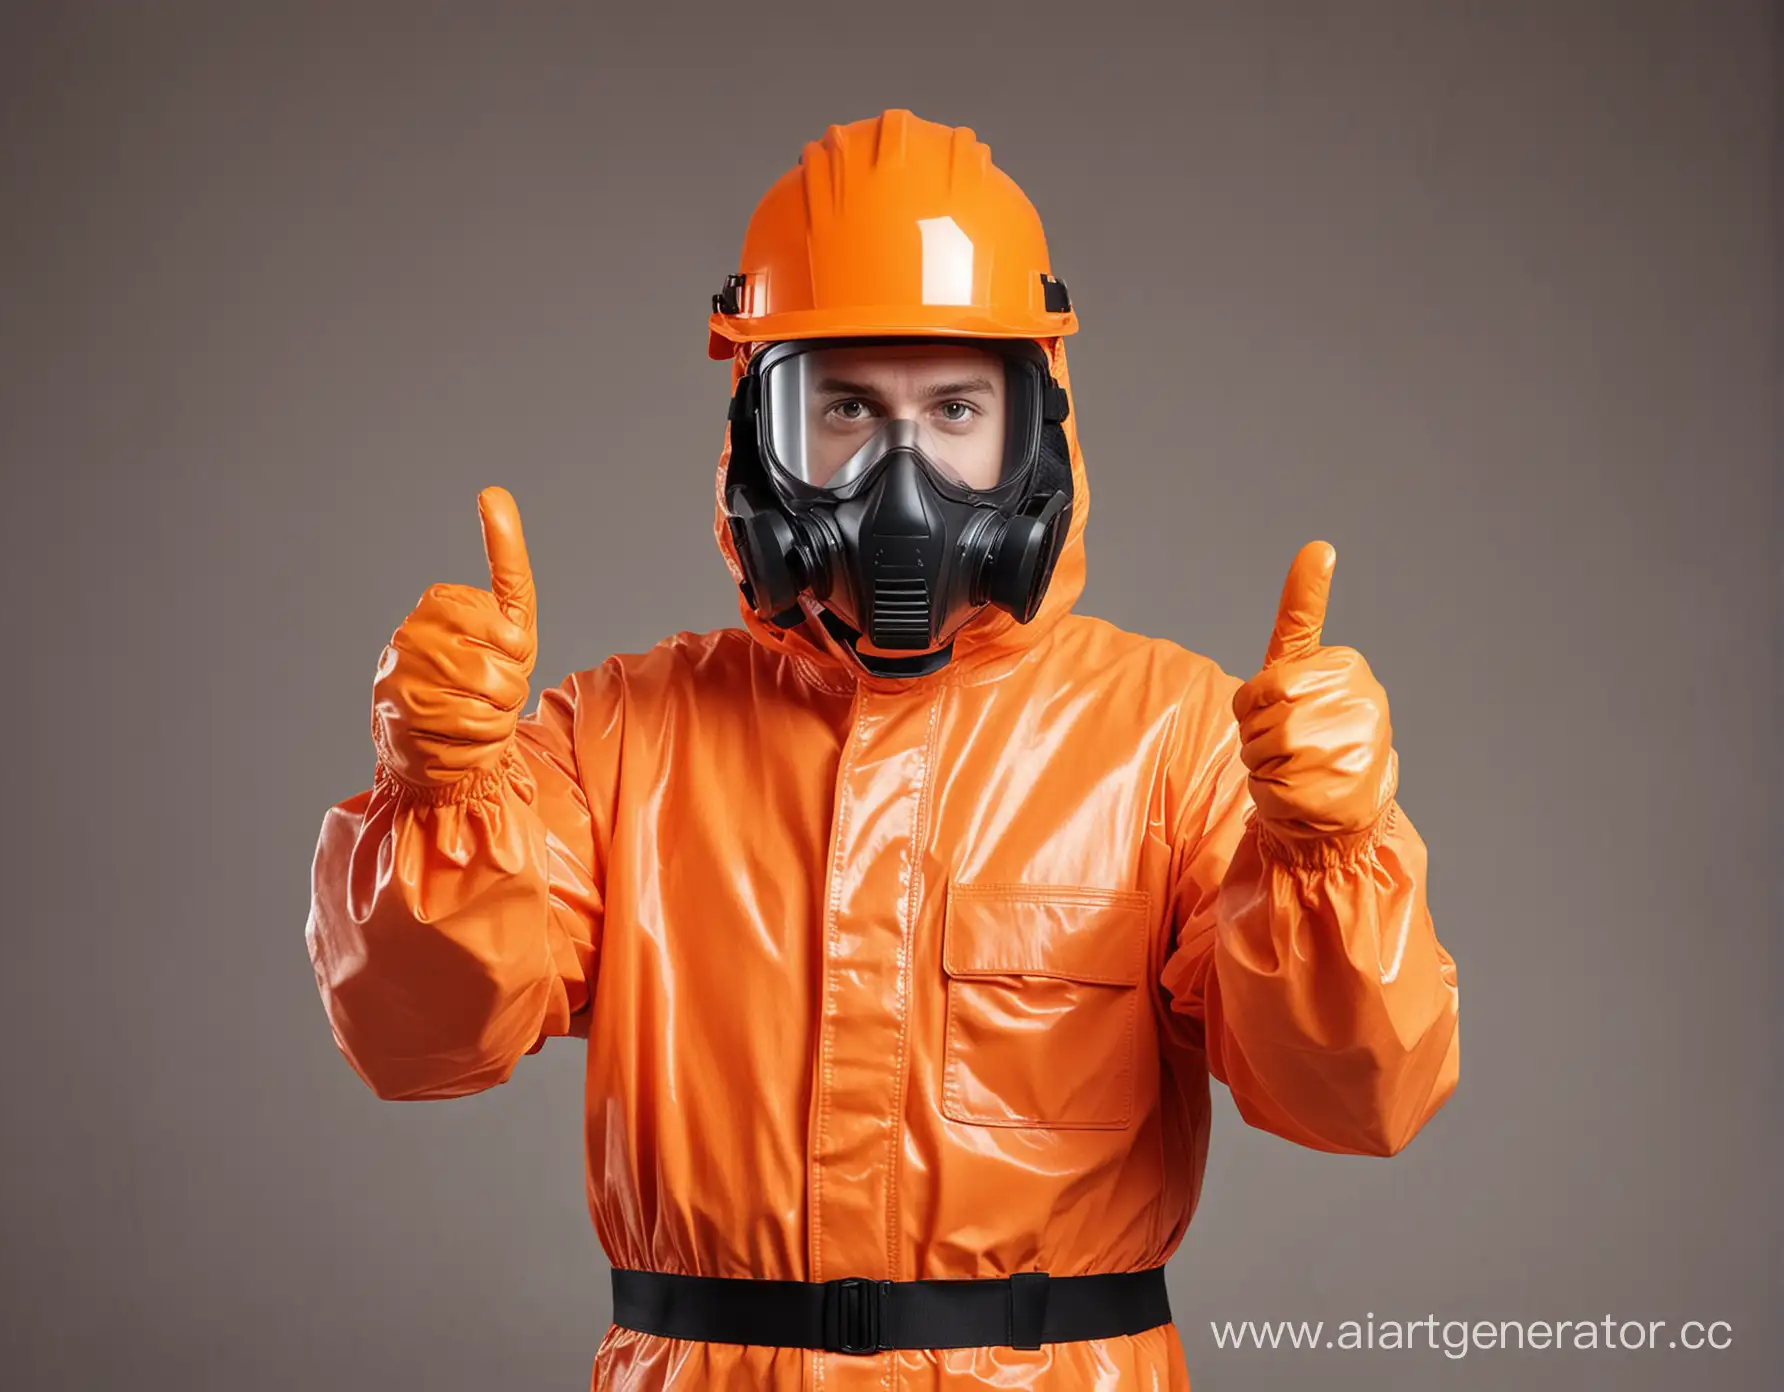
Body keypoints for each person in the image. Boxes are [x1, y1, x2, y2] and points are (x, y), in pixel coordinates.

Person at [305, 108, 1460, 1391]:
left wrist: (1331, 859)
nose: (901, 479)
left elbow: (1357, 1103)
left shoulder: (1178, 741)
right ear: (757, 434)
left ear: (1039, 430)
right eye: (843, 407)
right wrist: (441, 800)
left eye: (958, 407)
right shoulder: (617, 740)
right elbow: (419, 1047)